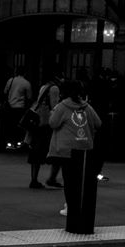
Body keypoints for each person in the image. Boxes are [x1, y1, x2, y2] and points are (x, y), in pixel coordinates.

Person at [48, 78, 102, 235]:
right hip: (85, 149)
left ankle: (71, 210)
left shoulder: (62, 106)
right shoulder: (87, 107)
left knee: (69, 182)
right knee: (83, 183)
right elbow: (98, 123)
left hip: (66, 151)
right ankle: (79, 210)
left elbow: (53, 123)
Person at [25, 73, 60, 188]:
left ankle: (34, 179)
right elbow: (54, 106)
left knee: (36, 152)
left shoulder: (44, 87)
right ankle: (52, 178)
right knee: (55, 151)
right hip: (46, 123)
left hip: (38, 121)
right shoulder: (54, 88)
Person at [2, 69, 31, 149]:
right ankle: (18, 143)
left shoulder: (10, 80)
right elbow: (29, 97)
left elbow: (5, 92)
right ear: (24, 73)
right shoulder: (26, 83)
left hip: (10, 107)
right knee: (19, 126)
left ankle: (10, 143)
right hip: (20, 107)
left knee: (10, 125)